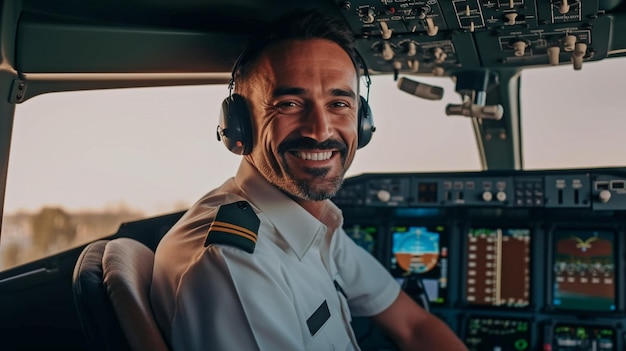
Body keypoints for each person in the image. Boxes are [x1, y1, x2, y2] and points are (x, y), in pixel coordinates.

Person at [150, 8, 468, 351]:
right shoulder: (234, 265)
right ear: (239, 126)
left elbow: (413, 325)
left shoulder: (312, 220)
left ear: (361, 122)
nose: (320, 130)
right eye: (288, 103)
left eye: (338, 103)